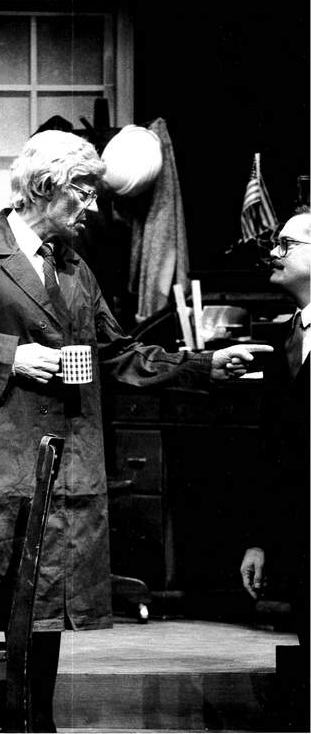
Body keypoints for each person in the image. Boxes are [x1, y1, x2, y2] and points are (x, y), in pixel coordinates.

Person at [0, 129, 271, 732]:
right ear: (45, 187)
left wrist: (202, 365)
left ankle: (30, 726)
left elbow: (117, 353)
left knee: (42, 613)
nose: (94, 207)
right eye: (84, 192)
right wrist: (12, 357)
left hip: (53, 467)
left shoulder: (74, 267)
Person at [240, 209, 310, 724]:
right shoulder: (286, 336)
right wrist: (259, 540)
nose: (274, 253)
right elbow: (272, 454)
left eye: (288, 244)